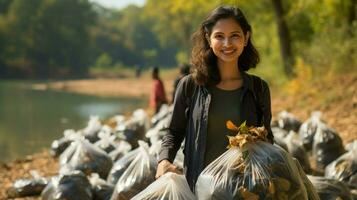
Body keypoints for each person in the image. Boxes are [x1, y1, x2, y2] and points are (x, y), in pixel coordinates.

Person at [156, 5, 274, 191]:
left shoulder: (258, 88)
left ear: (246, 38)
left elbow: (267, 140)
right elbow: (174, 132)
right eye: (219, 36)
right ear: (208, 38)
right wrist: (164, 160)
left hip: (244, 188)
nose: (227, 43)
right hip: (199, 187)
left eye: (235, 35)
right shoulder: (190, 86)